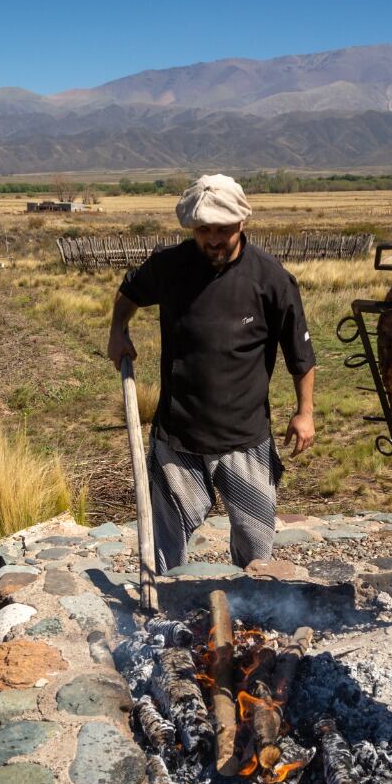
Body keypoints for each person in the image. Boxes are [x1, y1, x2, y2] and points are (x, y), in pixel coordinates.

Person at [107, 174, 316, 571]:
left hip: (246, 439)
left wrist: (305, 412)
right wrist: (118, 331)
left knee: (257, 549)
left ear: (242, 224)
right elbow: (130, 291)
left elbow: (301, 353)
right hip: (178, 438)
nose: (214, 239)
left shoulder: (270, 278)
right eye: (204, 230)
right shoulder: (169, 267)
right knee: (164, 548)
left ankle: (253, 615)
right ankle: (163, 614)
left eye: (223, 229)